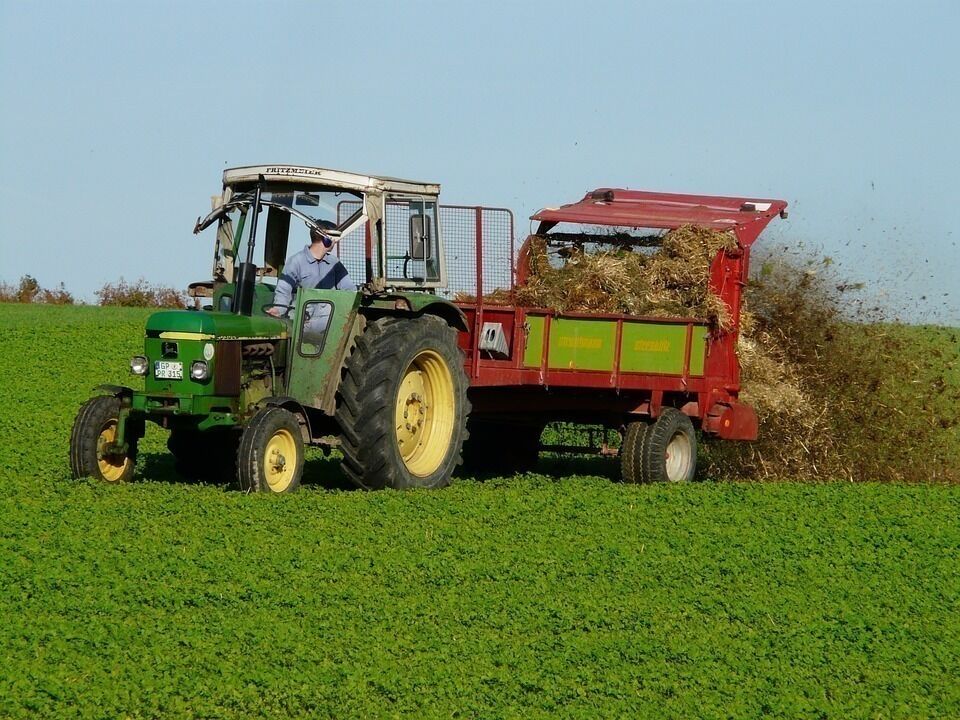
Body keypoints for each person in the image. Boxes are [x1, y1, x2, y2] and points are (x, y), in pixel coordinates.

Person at [268, 222, 356, 319]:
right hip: (302, 323)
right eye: (334, 238)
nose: (335, 242)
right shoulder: (296, 261)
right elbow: (284, 290)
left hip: (328, 324)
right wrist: (278, 309)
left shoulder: (334, 264)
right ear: (326, 240)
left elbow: (349, 289)